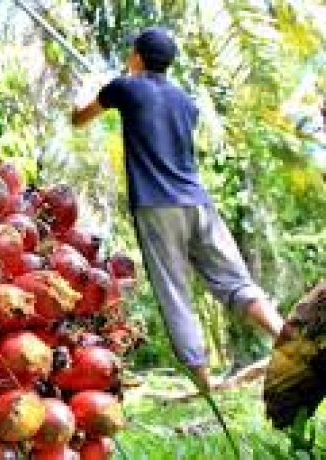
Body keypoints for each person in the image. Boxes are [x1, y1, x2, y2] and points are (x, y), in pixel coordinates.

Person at [70, 27, 285, 392]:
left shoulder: (125, 87)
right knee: (236, 282)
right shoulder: (187, 103)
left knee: (174, 291)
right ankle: (288, 336)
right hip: (199, 204)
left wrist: (89, 87)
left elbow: (79, 117)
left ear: (137, 56)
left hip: (157, 207)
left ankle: (205, 386)